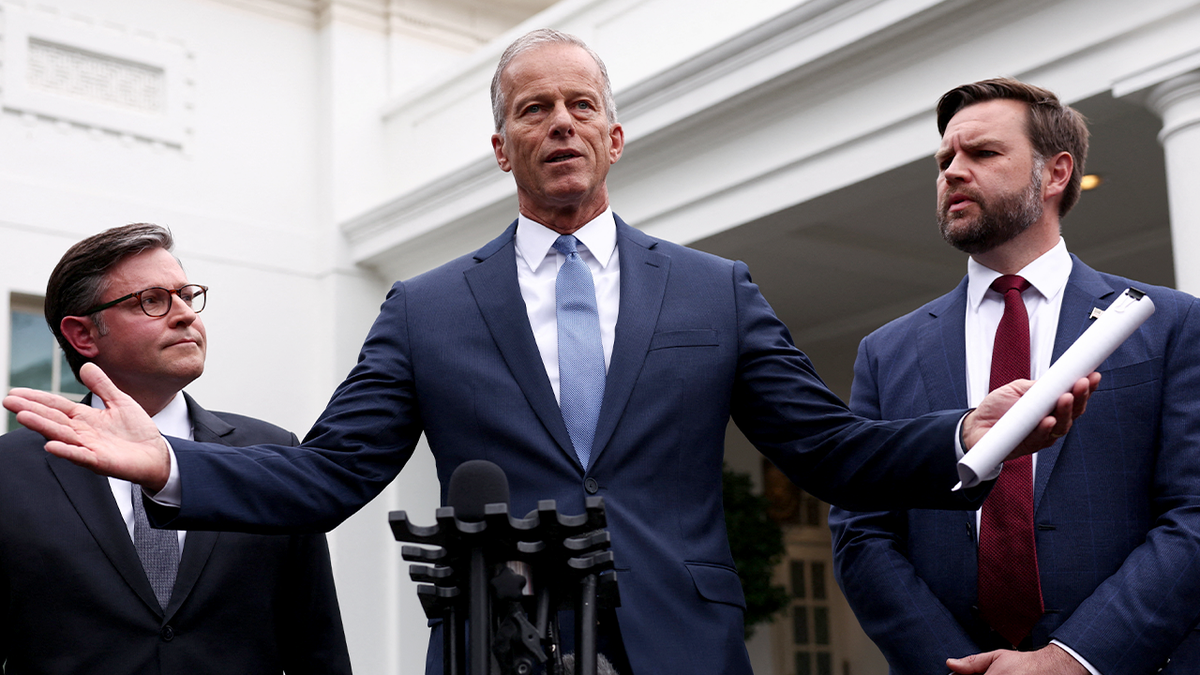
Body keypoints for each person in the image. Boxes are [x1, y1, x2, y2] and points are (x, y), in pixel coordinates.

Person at [4, 36, 1096, 675]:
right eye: (535, 109)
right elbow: (329, 474)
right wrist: (173, 468)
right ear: (501, 147)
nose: (561, 122)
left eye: (583, 106)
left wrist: (967, 433)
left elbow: (829, 448)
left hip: (682, 644)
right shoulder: (428, 308)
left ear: (615, 138)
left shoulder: (713, 291)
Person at [828, 78, 1200, 675]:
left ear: (1055, 174)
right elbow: (863, 533)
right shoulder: (886, 352)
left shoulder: (1169, 324)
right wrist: (949, 664)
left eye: (983, 153)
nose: (952, 171)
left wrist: (1074, 659)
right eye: (945, 158)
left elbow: (1193, 514)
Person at [0, 224, 352, 674]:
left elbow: (317, 650)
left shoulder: (272, 453)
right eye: (152, 300)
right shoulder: (10, 471)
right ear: (84, 335)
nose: (185, 314)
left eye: (187, 295)